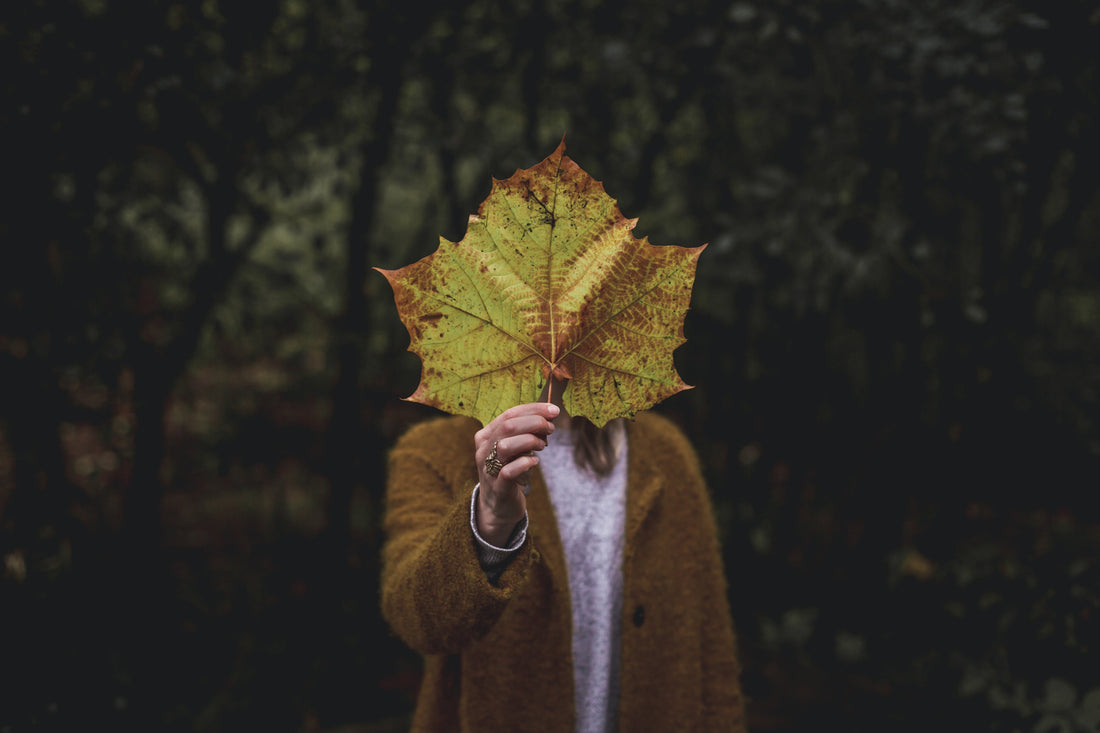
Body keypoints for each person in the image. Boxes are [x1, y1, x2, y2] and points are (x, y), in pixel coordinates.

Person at [380, 379, 746, 732]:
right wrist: (488, 522)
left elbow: (712, 653)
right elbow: (418, 620)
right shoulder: (433, 450)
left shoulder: (666, 452)